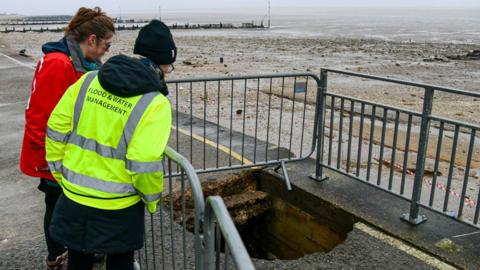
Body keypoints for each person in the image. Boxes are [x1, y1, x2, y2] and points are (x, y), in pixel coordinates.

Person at [45, 20, 176, 270]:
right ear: (162, 66)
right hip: (119, 206)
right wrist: (151, 200)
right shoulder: (155, 103)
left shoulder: (88, 80)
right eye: (169, 67)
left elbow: (55, 130)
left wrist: (61, 175)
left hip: (73, 197)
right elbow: (144, 161)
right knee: (121, 263)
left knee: (78, 261)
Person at [19, 7, 114, 270]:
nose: (108, 50)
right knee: (58, 206)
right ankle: (57, 256)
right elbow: (40, 117)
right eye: (106, 44)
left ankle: (73, 252)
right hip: (52, 153)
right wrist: (50, 159)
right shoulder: (59, 64)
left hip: (63, 150)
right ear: (91, 40)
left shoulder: (73, 61)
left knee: (67, 206)